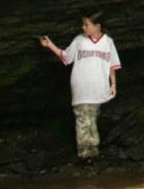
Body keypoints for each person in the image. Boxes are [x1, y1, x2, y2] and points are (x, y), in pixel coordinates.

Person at [38, 11, 121, 159]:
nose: (83, 27)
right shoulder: (79, 40)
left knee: (91, 118)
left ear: (97, 26)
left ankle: (92, 152)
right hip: (81, 87)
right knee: (83, 119)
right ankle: (86, 154)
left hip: (98, 88)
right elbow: (66, 57)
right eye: (83, 24)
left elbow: (112, 65)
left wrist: (113, 84)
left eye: (86, 25)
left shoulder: (108, 42)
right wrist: (49, 45)